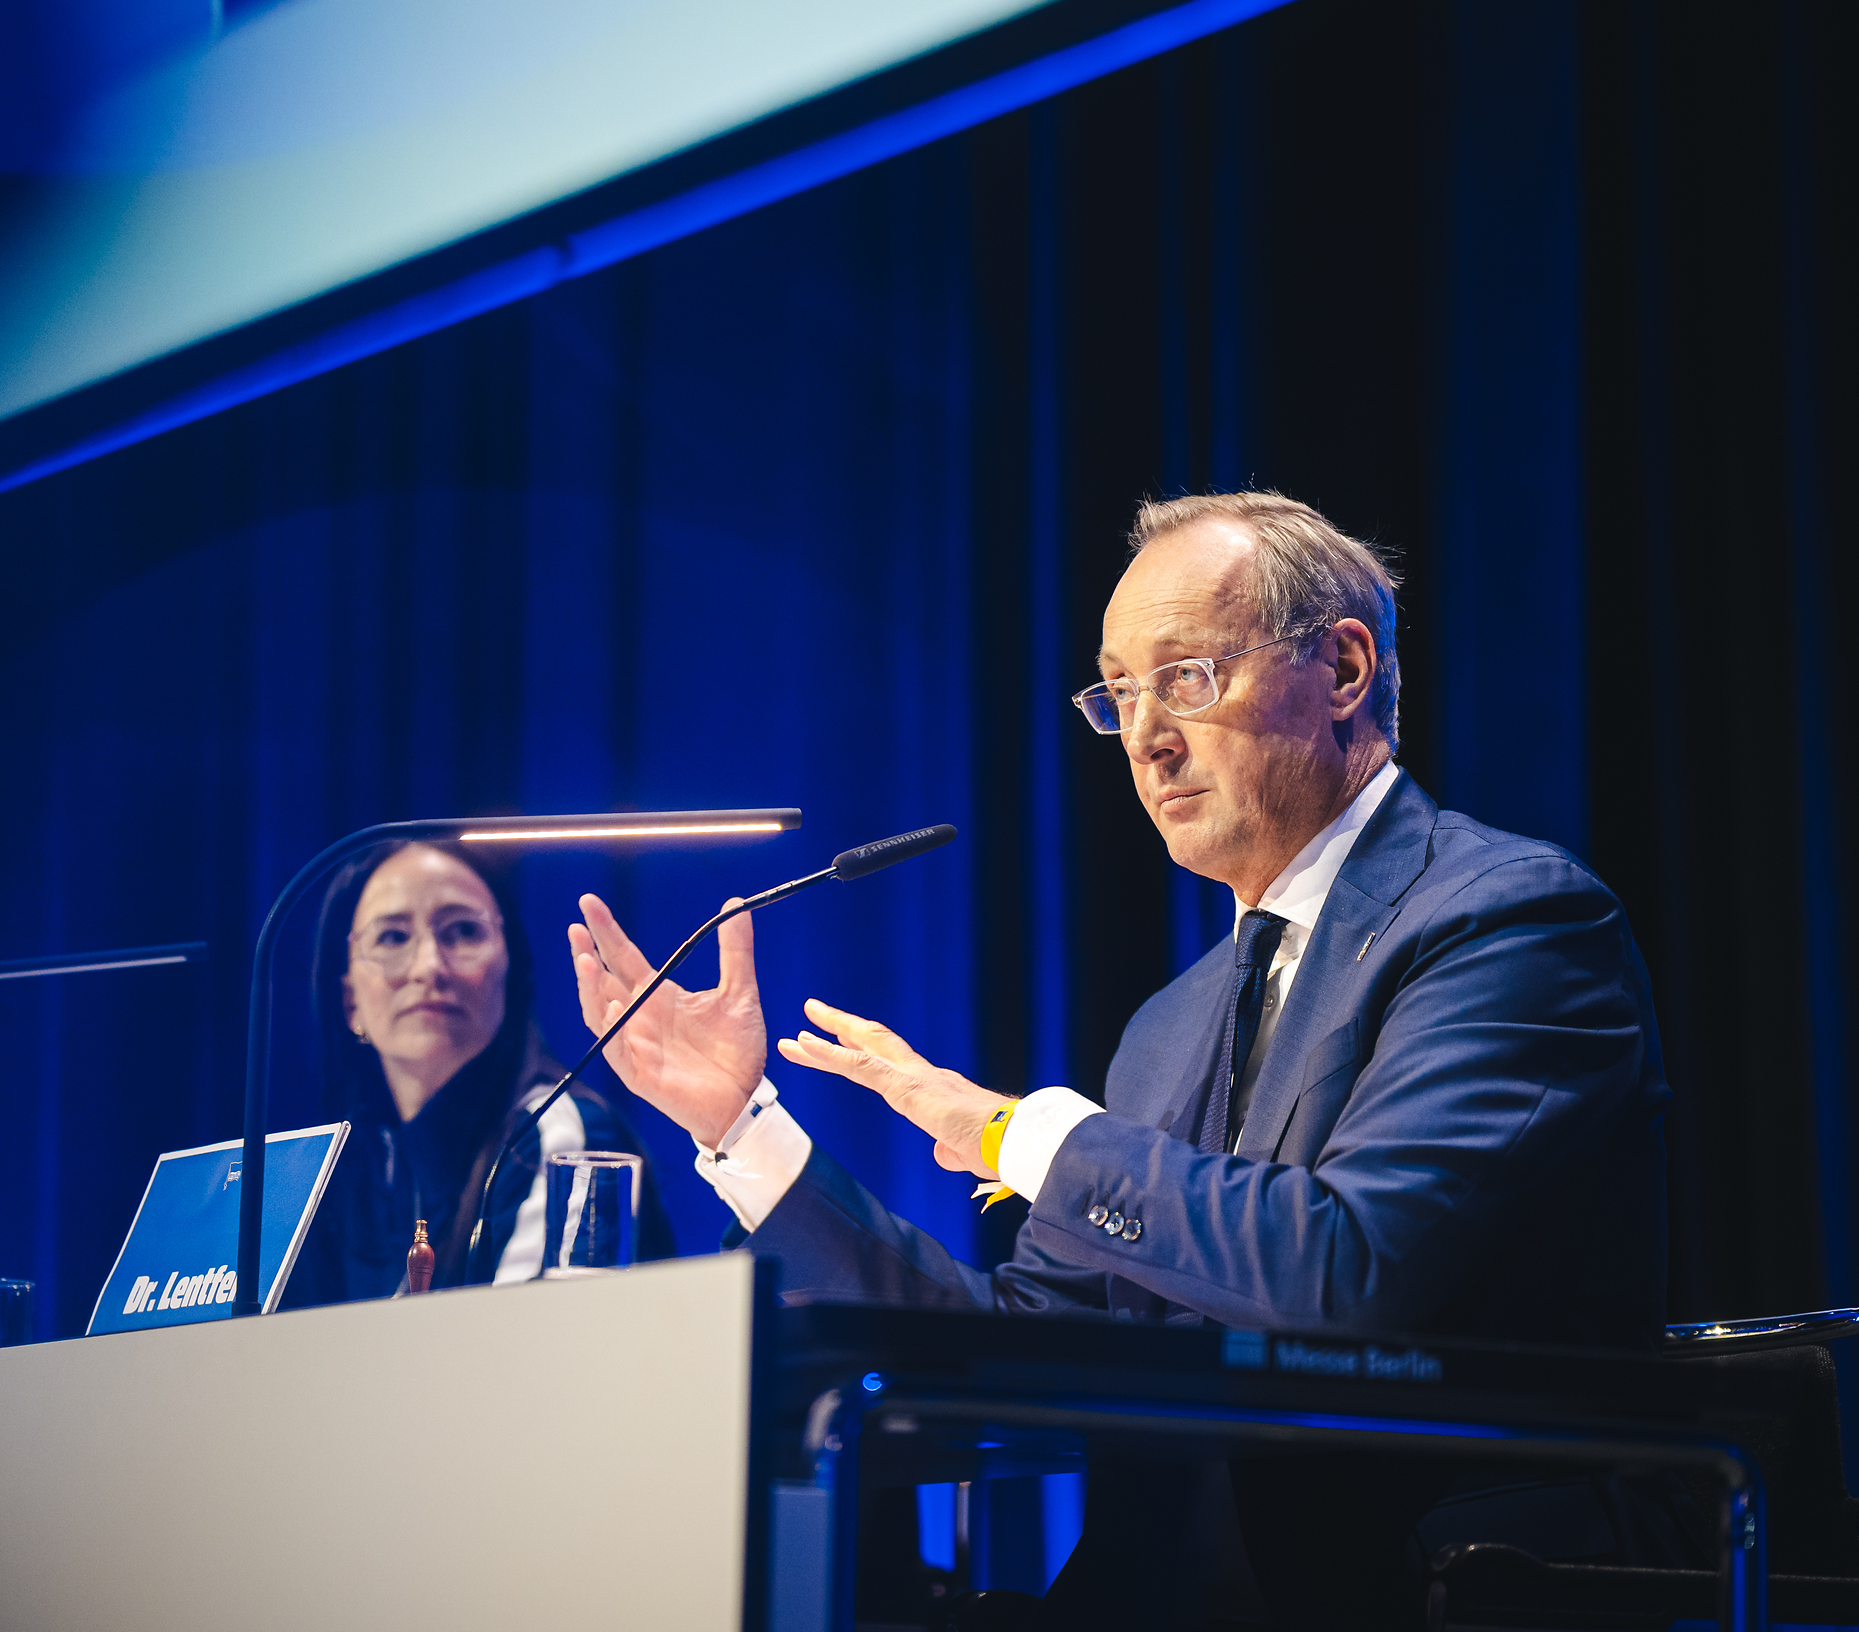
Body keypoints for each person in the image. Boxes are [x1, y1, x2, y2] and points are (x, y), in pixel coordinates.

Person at [564, 491, 1670, 1627]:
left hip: (1428, 1585)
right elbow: (1009, 1348)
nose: (1144, 734)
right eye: (1122, 692)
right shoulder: (1174, 1021)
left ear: (1342, 670)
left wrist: (1015, 1130)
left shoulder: (1511, 924)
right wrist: (743, 1131)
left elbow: (1345, 1271)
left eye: (1188, 675)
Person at [279, 840, 675, 1308]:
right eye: (392, 937)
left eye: (463, 931)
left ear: (512, 970)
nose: (429, 967)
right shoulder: (345, 1166)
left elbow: (514, 1367)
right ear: (349, 1001)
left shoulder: (557, 1137)